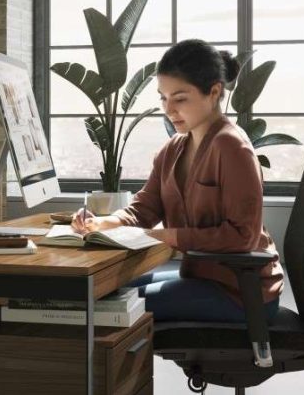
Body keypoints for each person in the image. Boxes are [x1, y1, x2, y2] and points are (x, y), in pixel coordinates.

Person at [71, 39, 283, 322]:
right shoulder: (172, 149)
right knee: (100, 291)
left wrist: (169, 236)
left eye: (180, 98)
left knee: (106, 309)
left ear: (213, 92)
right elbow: (143, 209)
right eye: (163, 98)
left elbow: (242, 236)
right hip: (202, 279)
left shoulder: (232, 147)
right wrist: (103, 223)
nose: (168, 110)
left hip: (241, 291)